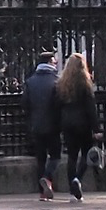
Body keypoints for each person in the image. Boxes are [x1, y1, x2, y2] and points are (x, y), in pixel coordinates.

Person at [55, 53, 102, 203]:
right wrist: (96, 129)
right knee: (86, 153)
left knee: (72, 156)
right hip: (83, 123)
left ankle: (72, 189)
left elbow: (57, 105)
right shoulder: (85, 84)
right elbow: (90, 108)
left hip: (67, 123)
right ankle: (77, 178)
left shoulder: (62, 84)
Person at [22, 52, 61, 201]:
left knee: (41, 159)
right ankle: (47, 177)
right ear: (50, 61)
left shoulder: (31, 81)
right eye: (54, 61)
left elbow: (24, 103)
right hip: (53, 125)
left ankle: (42, 193)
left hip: (36, 125)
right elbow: (59, 103)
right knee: (55, 156)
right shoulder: (56, 81)